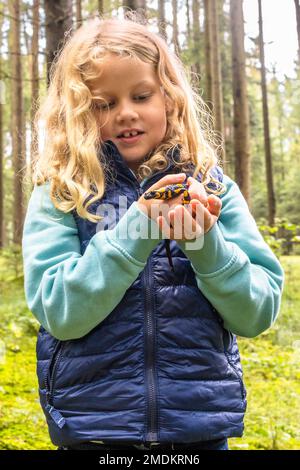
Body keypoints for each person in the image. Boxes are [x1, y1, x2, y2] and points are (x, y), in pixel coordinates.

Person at [22, 14, 284, 452]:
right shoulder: (63, 194)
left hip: (197, 427)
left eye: (141, 95)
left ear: (170, 98)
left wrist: (206, 244)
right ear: (79, 113)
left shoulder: (213, 187)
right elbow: (60, 312)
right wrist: (139, 228)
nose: (125, 113)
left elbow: (257, 312)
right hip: (93, 427)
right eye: (104, 104)